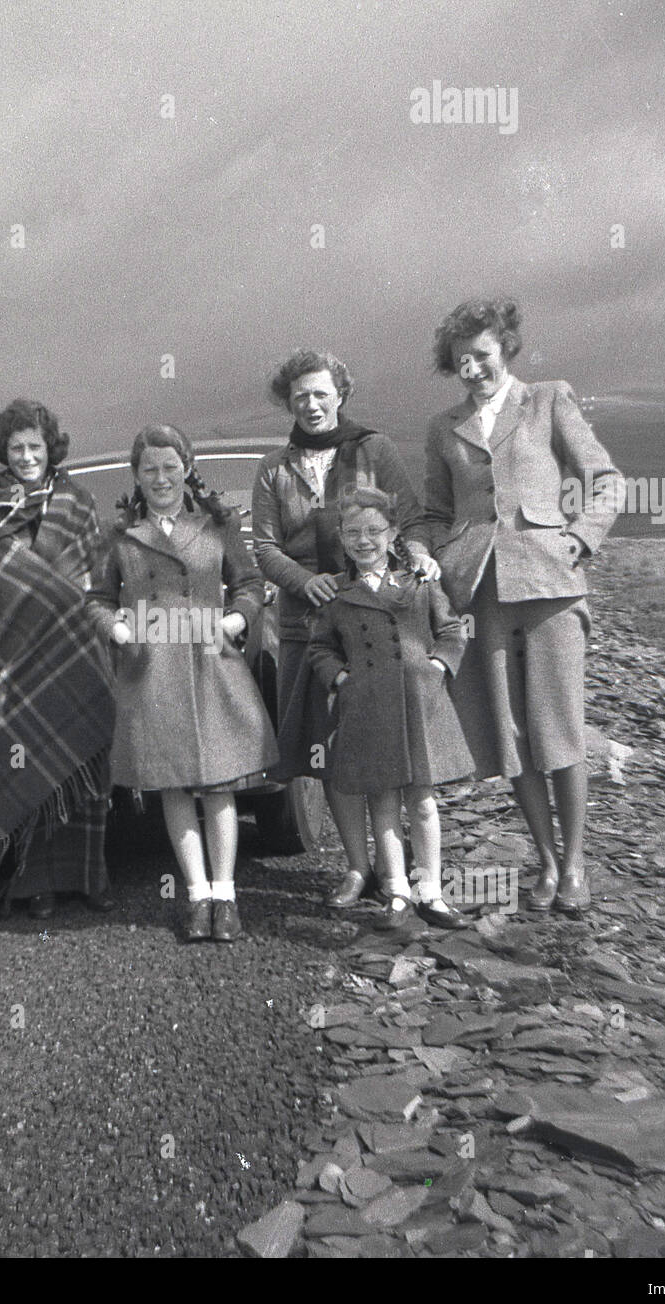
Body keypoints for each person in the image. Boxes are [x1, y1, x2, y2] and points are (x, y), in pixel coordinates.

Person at [422, 298, 624, 915]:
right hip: (480, 596)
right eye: (461, 361)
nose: (473, 369)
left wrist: (581, 535)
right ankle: (543, 860)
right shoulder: (442, 427)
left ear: (505, 348)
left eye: (482, 355)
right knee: (509, 736)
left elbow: (606, 479)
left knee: (557, 727)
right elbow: (434, 513)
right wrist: (427, 555)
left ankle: (576, 864)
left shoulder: (548, 400)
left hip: (550, 588)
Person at [251, 348, 440, 907]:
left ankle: (401, 872)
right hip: (304, 627)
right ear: (288, 402)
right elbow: (263, 544)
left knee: (385, 742)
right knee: (326, 749)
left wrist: (422, 558)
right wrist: (304, 583)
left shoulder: (372, 448)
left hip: (374, 625)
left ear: (340, 396)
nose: (310, 405)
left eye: (320, 394)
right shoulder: (273, 467)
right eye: (299, 396)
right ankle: (358, 869)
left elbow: (408, 518)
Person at [86, 426, 278, 943]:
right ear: (137, 475)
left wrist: (234, 622)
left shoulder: (217, 524)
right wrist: (120, 630)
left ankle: (226, 896)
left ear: (187, 467)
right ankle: (195, 897)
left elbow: (250, 584)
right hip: (152, 670)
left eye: (170, 466)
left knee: (218, 783)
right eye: (149, 468)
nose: (161, 477)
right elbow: (98, 599)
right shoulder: (120, 535)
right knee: (172, 781)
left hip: (211, 661)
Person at [0, 399, 116, 923]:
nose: (25, 456)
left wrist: (69, 599)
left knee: (81, 766)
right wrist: (56, 592)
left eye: (34, 446)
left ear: (50, 448)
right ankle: (33, 883)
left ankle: (87, 876)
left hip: (72, 650)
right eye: (16, 447)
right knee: (21, 764)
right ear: (4, 450)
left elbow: (97, 575)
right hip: (10, 656)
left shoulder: (78, 501)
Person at [307, 489, 473, 928]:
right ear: (342, 538)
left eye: (375, 531)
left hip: (418, 704)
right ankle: (397, 890)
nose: (365, 541)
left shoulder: (419, 581)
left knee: (422, 803)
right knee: (382, 801)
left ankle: (431, 892)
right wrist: (341, 680)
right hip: (368, 709)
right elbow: (320, 648)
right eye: (354, 533)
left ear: (394, 533)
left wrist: (437, 665)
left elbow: (453, 630)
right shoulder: (338, 595)